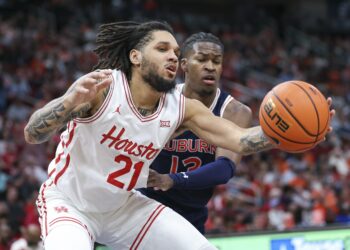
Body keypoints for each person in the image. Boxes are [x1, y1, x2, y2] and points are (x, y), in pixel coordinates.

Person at [23, 21, 333, 250]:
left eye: (174, 51)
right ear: (135, 57)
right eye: (162, 49)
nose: (172, 56)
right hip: (71, 203)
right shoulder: (103, 88)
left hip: (122, 207)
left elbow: (240, 140)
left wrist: (292, 132)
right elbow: (32, 132)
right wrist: (67, 103)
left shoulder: (182, 108)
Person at [139, 32, 252, 234]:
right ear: (184, 65)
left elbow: (225, 169)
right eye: (201, 59)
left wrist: (173, 179)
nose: (210, 66)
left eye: (216, 61)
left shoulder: (235, 111)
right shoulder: (160, 98)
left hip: (190, 217)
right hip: (144, 206)